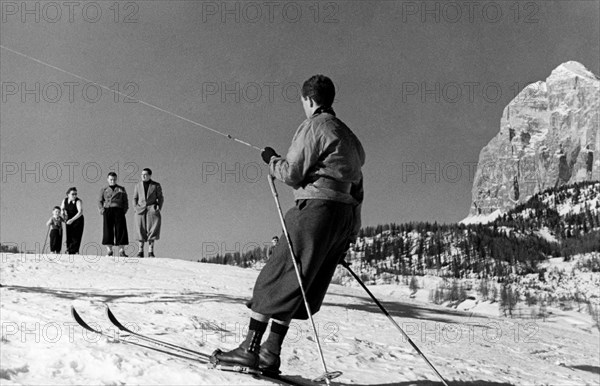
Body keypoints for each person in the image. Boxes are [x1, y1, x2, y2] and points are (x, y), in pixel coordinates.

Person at [211, 75, 365, 375]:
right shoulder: (351, 139)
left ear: (308, 100)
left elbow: (292, 173)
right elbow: (358, 189)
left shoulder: (314, 126)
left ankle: (249, 350)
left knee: (279, 273)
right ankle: (270, 353)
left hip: (316, 211)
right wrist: (349, 233)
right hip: (343, 217)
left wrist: (271, 159)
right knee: (300, 282)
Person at [133, 168, 164, 257]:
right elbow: (134, 198)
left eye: (145, 174)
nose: (143, 176)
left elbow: (160, 197)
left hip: (152, 209)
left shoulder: (156, 185)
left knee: (153, 229)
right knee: (140, 229)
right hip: (140, 210)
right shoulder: (138, 185)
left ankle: (151, 251)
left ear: (150, 175)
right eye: (142, 174)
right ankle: (140, 251)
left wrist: (158, 207)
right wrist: (135, 208)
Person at [98, 172, 129, 257]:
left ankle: (122, 251)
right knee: (108, 229)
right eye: (111, 179)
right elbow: (100, 201)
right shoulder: (104, 189)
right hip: (108, 209)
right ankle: (109, 250)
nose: (112, 181)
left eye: (114, 179)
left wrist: (123, 211)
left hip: (119, 210)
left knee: (121, 230)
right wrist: (102, 210)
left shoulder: (121, 189)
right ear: (108, 179)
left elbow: (125, 201)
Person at [61, 187, 85, 254]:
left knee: (76, 235)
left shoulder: (78, 201)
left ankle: (74, 250)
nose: (74, 195)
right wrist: (63, 214)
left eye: (75, 194)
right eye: (72, 194)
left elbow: (80, 212)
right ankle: (69, 250)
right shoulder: (64, 200)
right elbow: (62, 208)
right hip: (68, 219)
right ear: (68, 194)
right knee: (69, 235)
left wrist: (72, 220)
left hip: (77, 220)